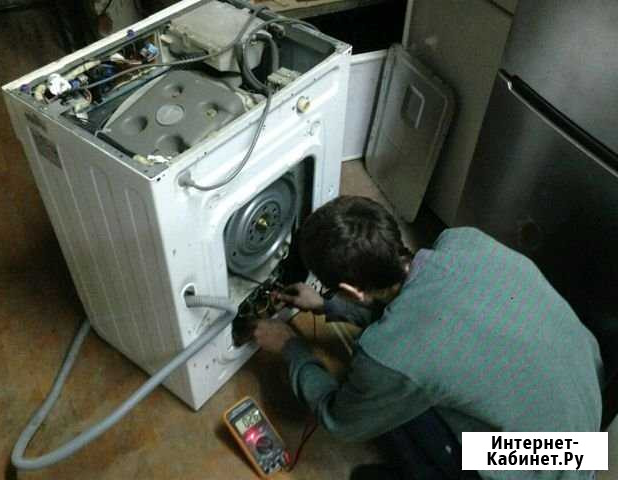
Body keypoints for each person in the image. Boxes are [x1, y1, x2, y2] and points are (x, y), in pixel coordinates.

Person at [253, 195, 603, 480]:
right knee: (416, 381)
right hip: (583, 431)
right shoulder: (465, 241)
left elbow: (339, 420)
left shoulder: (389, 356)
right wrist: (329, 305)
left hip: (541, 470)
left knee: (385, 404)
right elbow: (425, 304)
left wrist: (290, 347)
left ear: (351, 290)